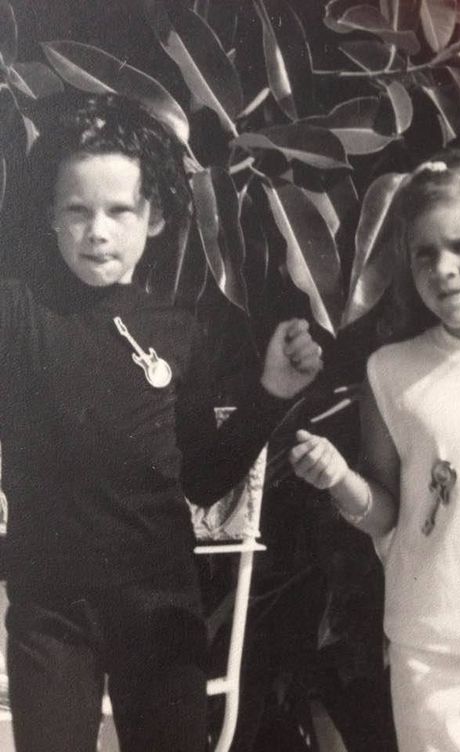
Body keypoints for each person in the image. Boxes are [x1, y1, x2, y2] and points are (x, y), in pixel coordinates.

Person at [0, 91, 322, 752]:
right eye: (77, 210)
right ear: (51, 220)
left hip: (160, 608)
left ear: (153, 218)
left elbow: (205, 478)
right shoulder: (21, 317)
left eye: (120, 210)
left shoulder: (179, 331)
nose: (99, 230)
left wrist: (269, 393)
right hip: (51, 612)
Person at [290, 150, 460, 752]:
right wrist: (338, 479)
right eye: (425, 254)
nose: (442, 267)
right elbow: (386, 511)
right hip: (426, 650)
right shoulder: (393, 372)